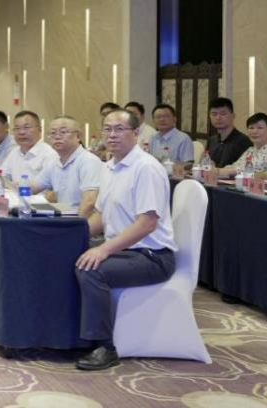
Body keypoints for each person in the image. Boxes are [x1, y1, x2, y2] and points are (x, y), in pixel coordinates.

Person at [74, 109, 176, 371]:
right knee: (67, 255)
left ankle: (105, 346)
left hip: (151, 256)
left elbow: (147, 223)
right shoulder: (109, 166)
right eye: (107, 129)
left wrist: (103, 250)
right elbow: (101, 216)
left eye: (119, 129)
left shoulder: (146, 168)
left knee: (91, 269)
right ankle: (73, 334)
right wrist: (73, 238)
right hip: (123, 250)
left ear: (136, 133)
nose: (112, 135)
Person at [32, 116, 106, 218]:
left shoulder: (88, 161)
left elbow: (89, 202)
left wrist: (74, 226)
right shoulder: (54, 162)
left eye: (63, 132)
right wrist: (15, 187)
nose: (57, 137)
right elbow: (33, 187)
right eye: (53, 133)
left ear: (78, 136)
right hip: (63, 219)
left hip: (83, 222)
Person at [216, 112, 267, 178]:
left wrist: (217, 171)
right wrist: (218, 170)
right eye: (251, 128)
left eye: (260, 128)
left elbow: (248, 170)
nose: (254, 131)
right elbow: (235, 166)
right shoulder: (251, 150)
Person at [0, 110, 59, 181]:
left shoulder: (49, 155)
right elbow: (1, 176)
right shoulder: (15, 152)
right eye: (17, 128)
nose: (21, 132)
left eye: (26, 127)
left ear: (40, 129)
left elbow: (52, 185)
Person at [205, 97, 251, 168]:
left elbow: (243, 169)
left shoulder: (243, 141)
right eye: (214, 114)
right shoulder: (212, 140)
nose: (218, 118)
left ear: (233, 116)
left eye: (223, 114)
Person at [147, 103, 194, 168]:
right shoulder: (153, 137)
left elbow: (189, 164)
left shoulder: (183, 138)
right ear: (153, 121)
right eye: (158, 117)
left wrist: (167, 164)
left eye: (166, 116)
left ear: (175, 119)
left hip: (173, 174)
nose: (162, 120)